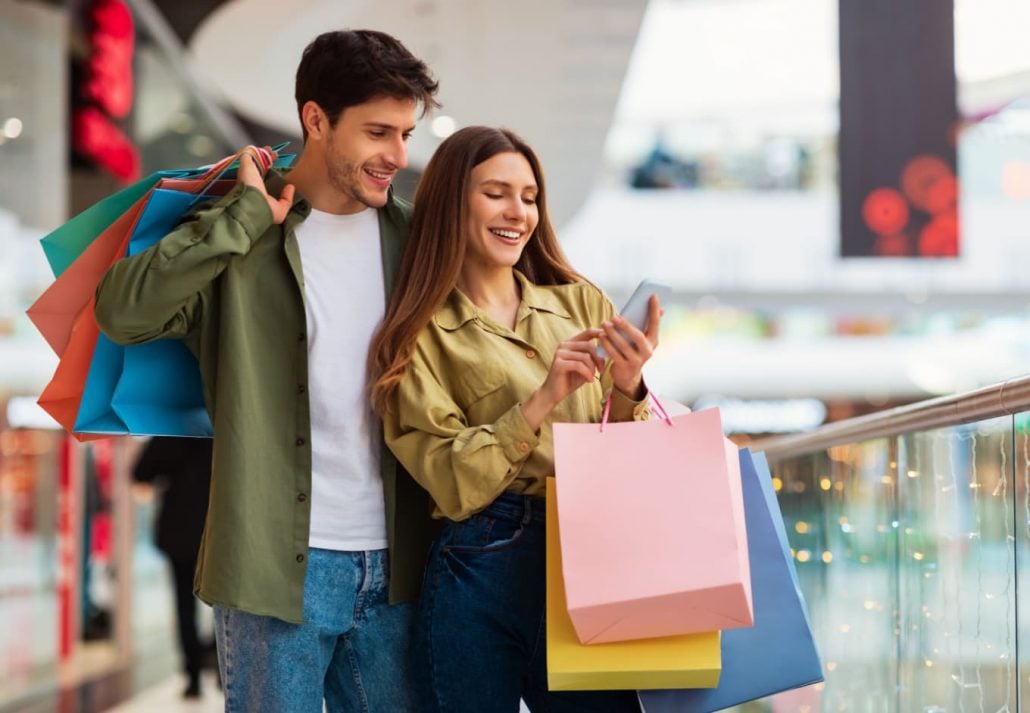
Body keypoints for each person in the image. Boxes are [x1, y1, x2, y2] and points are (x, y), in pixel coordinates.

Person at [95, 30, 439, 713]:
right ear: (316, 120)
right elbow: (123, 311)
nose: (398, 156)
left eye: (405, 133)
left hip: (401, 565)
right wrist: (243, 218)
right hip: (273, 567)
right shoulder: (238, 230)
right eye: (378, 132)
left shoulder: (418, 241)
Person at [368, 126, 661, 712]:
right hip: (481, 563)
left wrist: (629, 386)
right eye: (496, 193)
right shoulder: (415, 334)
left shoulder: (581, 304)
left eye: (529, 197)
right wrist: (542, 397)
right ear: (453, 201)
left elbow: (634, 460)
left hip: (592, 552)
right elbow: (450, 481)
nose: (518, 212)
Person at [132, 436, 215, 699]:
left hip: (179, 529)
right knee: (226, 603)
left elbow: (140, 473)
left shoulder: (172, 430)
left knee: (183, 604)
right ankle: (223, 666)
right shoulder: (222, 426)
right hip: (218, 528)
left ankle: (193, 677)